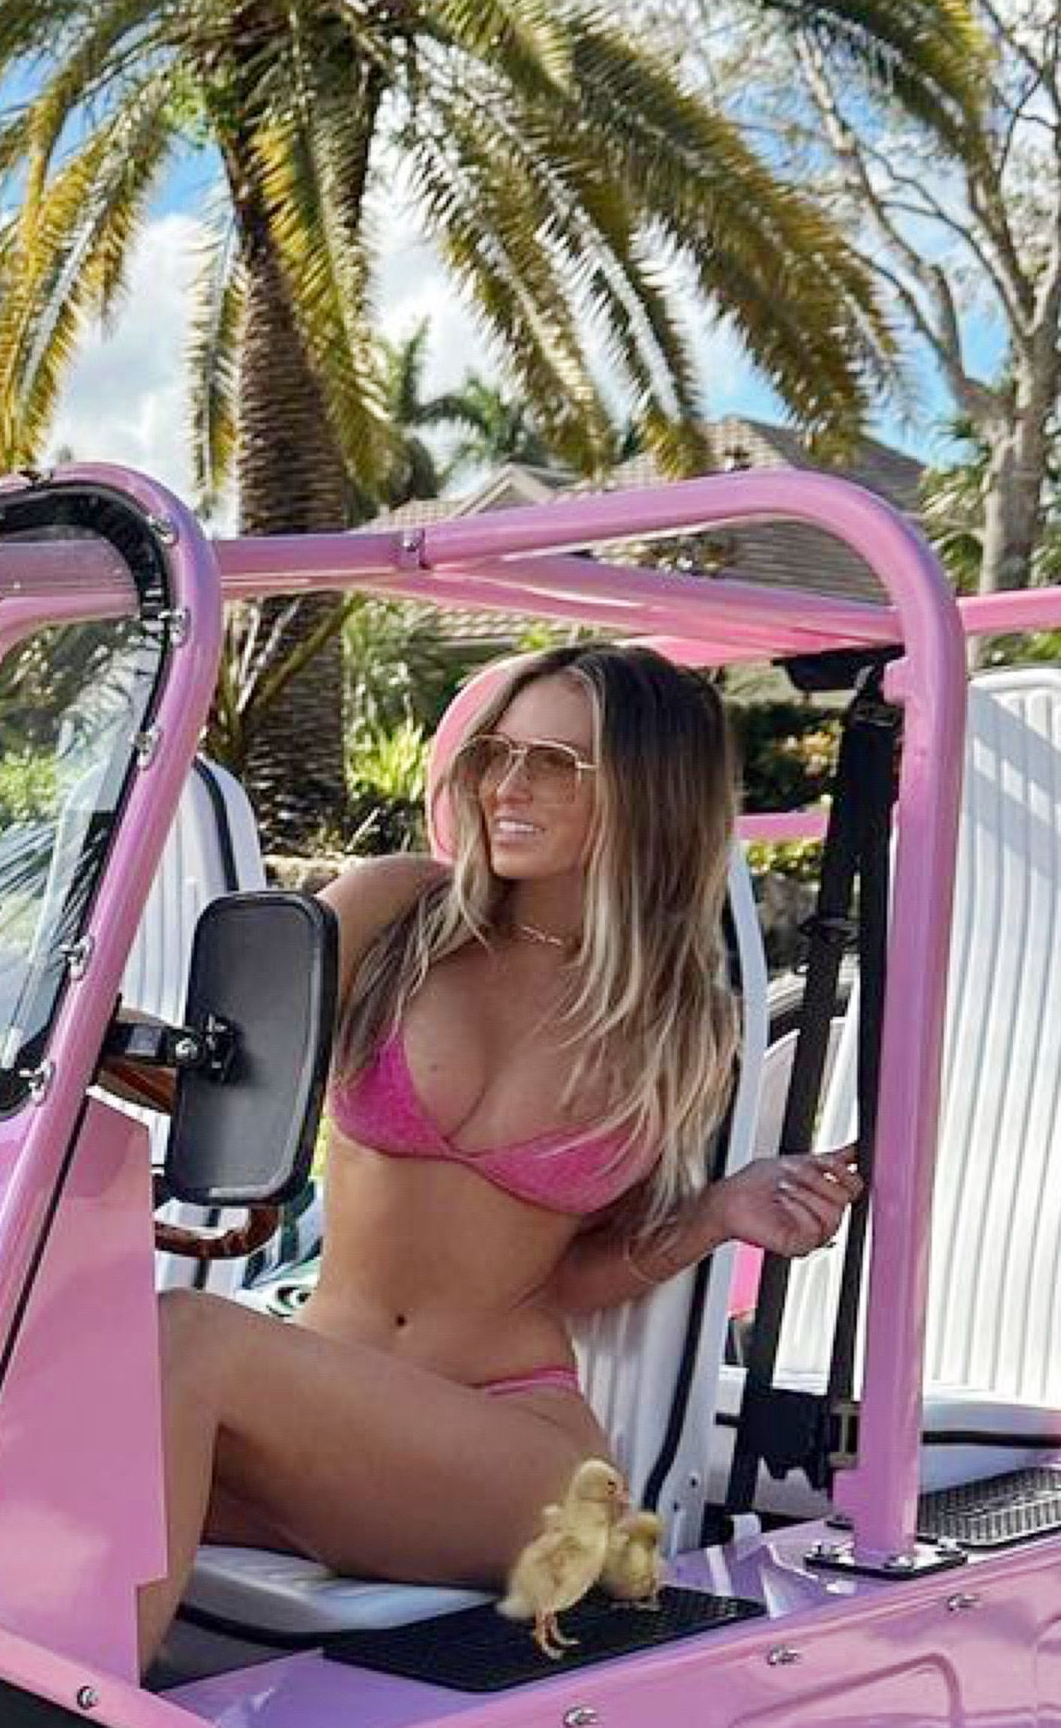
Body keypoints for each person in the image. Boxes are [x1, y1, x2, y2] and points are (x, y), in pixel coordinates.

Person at [137, 642, 859, 1666]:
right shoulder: (397, 914)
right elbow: (222, 1075)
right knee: (47, 1397)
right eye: (495, 753)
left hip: (522, 1463)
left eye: (559, 763)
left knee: (190, 1338)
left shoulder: (676, 1022)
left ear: (651, 791)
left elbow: (567, 1276)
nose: (508, 787)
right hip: (319, 1429)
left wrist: (713, 1216)